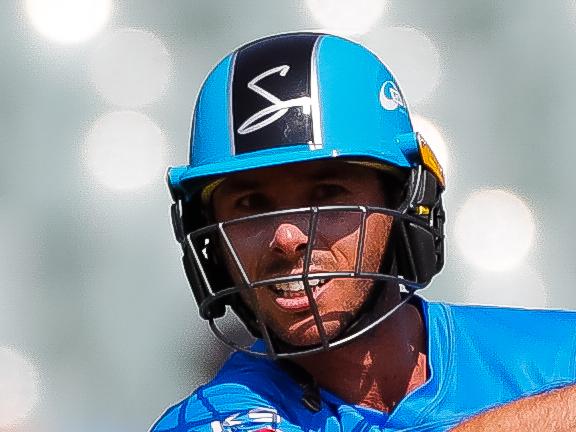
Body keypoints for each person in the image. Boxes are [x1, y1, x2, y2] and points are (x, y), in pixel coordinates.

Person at [151, 33, 576, 432]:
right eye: (250, 205)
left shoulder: (556, 354)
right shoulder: (206, 418)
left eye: (327, 195)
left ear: (403, 203)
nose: (286, 238)